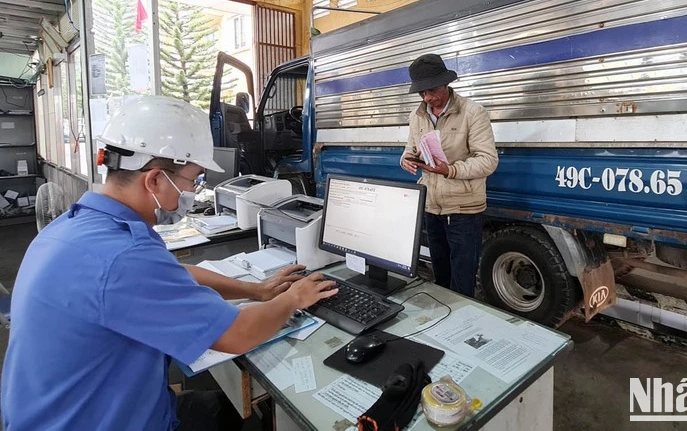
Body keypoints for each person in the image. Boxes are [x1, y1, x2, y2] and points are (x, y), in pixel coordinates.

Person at [1, 96, 338, 431]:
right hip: (95, 420)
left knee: (221, 409)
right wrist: (293, 298)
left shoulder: (80, 225)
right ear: (155, 180)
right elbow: (236, 334)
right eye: (193, 181)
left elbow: (173, 274)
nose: (192, 193)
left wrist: (257, 290)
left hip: (74, 410)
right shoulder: (122, 257)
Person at [400, 54, 498, 297]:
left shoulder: (472, 113)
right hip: (432, 207)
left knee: (462, 279)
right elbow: (410, 149)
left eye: (432, 90)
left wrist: (450, 170)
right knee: (441, 274)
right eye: (422, 93)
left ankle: (462, 323)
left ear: (446, 84)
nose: (428, 98)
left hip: (464, 209)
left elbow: (488, 161)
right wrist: (406, 160)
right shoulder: (418, 115)